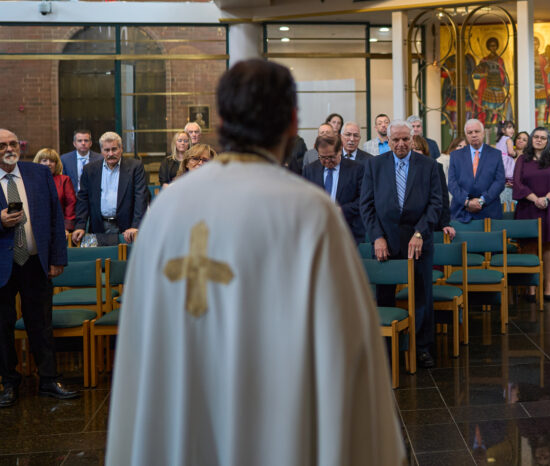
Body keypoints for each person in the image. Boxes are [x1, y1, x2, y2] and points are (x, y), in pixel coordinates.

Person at [106, 59, 404, 465]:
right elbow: (347, 351)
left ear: (222, 120)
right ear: (293, 121)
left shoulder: (167, 210)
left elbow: (142, 346)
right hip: (279, 435)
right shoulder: (310, 212)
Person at [0, 129, 78, 408]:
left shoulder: (38, 174)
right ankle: (9, 383)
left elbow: (55, 218)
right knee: (1, 327)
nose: (8, 148)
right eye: (1, 145)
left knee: (41, 324)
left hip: (33, 262)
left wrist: (57, 258)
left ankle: (49, 380)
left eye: (13, 143)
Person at [360, 119, 444, 369]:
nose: (400, 144)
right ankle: (386, 347)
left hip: (418, 240)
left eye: (405, 139)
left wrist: (420, 232)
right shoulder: (374, 166)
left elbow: (436, 203)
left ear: (412, 139)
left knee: (421, 294)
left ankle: (421, 348)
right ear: (388, 139)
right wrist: (377, 237)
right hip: (384, 241)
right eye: (395, 139)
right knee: (384, 295)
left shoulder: (428, 165)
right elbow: (367, 205)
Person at [513, 127, 550, 301]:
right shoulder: (522, 159)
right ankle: (531, 289)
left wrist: (546, 199)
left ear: (547, 141)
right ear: (531, 139)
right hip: (528, 207)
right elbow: (518, 183)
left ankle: (548, 288)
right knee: (529, 246)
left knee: (549, 246)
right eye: (536, 137)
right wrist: (536, 199)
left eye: (543, 138)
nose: (539, 140)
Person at [72, 132, 149, 246]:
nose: (110, 153)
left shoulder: (135, 167)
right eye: (106, 150)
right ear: (101, 151)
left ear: (121, 149)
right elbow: (83, 200)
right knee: (100, 261)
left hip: (127, 229)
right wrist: (80, 226)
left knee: (124, 262)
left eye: (114, 149)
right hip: (98, 226)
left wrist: (135, 226)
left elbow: (141, 198)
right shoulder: (90, 170)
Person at [303, 135, 364, 242]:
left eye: (331, 157)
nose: (327, 161)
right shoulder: (310, 170)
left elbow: (363, 199)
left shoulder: (356, 169)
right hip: (318, 231)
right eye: (322, 157)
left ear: (340, 150)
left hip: (348, 231)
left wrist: (342, 210)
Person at [448, 119, 505, 225]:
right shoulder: (456, 156)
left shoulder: (495, 154)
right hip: (461, 212)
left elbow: (499, 182)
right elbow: (452, 183)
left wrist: (482, 200)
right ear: (466, 135)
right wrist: (467, 202)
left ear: (483, 133)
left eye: (477, 131)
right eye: (470, 132)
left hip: (489, 213)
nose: (473, 135)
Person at [33, 148, 76, 233]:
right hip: (36, 228)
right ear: (38, 162)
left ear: (56, 164)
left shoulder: (64, 180)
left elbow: (70, 205)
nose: (48, 164)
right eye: (44, 160)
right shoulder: (31, 181)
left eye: (52, 161)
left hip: (59, 228)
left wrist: (67, 228)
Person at [501, 130, 528, 206]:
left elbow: (529, 177)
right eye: (519, 138)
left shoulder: (528, 159)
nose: (520, 141)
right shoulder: (506, 154)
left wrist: (516, 184)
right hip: (504, 187)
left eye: (524, 140)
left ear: (527, 144)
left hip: (520, 191)